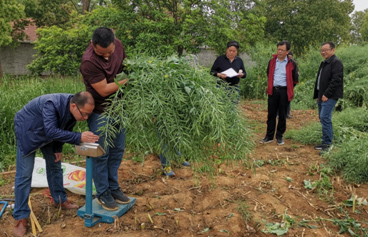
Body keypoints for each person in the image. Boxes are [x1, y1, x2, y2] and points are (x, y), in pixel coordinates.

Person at [13, 92, 99, 237]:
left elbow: (65, 127)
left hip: (48, 133)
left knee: (55, 165)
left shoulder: (73, 108)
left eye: (88, 115)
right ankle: (21, 217)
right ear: (73, 106)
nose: (85, 118)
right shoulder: (51, 104)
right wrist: (79, 137)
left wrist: (58, 148)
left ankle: (60, 200)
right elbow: (52, 131)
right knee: (25, 174)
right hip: (28, 131)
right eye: (84, 114)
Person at [80, 27, 131, 211]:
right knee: (101, 154)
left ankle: (113, 188)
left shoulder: (117, 45)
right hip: (101, 111)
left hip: (119, 108)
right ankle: (102, 193)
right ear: (93, 45)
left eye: (110, 52)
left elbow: (125, 66)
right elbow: (103, 90)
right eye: (103, 54)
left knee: (117, 150)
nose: (108, 56)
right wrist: (127, 81)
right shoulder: (89, 62)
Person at [260, 41, 299, 145]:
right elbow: (268, 73)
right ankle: (269, 136)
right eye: (278, 49)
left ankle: (279, 136)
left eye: (282, 50)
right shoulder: (272, 61)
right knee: (271, 114)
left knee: (282, 115)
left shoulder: (292, 63)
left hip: (284, 91)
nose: (280, 52)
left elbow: (295, 79)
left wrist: (289, 88)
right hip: (273, 91)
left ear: (287, 51)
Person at [313, 41, 343, 153]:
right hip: (322, 95)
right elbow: (321, 80)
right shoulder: (325, 62)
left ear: (333, 50)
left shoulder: (336, 62)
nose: (323, 52)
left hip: (330, 96)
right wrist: (318, 94)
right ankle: (325, 141)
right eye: (322, 50)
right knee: (322, 118)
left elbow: (336, 80)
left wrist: (326, 94)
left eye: (326, 50)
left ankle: (328, 144)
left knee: (325, 118)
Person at [210, 40, 247, 104]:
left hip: (234, 87)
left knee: (233, 106)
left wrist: (241, 75)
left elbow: (245, 74)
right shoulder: (220, 59)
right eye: (230, 50)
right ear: (226, 50)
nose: (231, 53)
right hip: (221, 87)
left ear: (236, 52)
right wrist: (220, 75)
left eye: (234, 51)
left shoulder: (239, 60)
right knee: (221, 105)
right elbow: (212, 72)